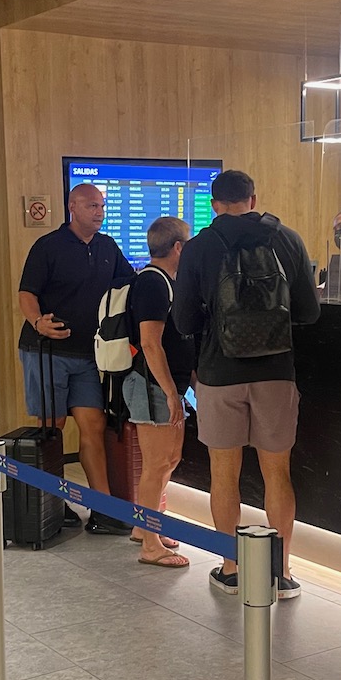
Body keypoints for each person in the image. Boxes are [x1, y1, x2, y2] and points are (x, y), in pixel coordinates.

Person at [172, 169, 321, 598]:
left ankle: (232, 568)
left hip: (220, 374)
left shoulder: (199, 247)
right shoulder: (287, 239)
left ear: (214, 204)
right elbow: (309, 313)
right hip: (276, 373)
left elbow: (183, 320)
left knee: (224, 475)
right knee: (278, 474)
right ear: (254, 200)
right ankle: (284, 572)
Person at [17, 182, 134, 535]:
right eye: (92, 206)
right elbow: (26, 292)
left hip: (87, 354)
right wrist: (38, 322)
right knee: (52, 428)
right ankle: (53, 503)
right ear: (72, 207)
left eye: (102, 206)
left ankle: (102, 507)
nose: (99, 212)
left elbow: (128, 284)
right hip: (47, 350)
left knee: (93, 426)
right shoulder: (48, 246)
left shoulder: (107, 246)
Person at [126, 217, 194, 568]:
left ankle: (146, 527)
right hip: (151, 386)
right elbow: (151, 345)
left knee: (169, 460)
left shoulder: (168, 282)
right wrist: (170, 393)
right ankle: (150, 544)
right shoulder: (153, 283)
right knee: (155, 465)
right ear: (178, 247)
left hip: (168, 386)